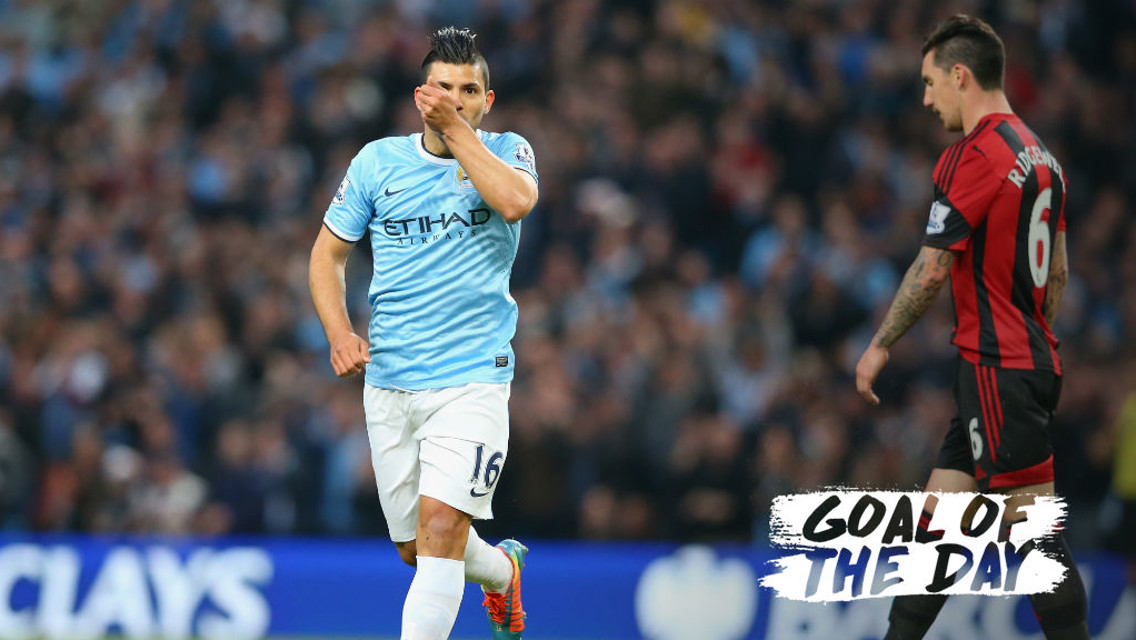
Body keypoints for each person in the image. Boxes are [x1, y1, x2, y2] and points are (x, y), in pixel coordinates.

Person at [854, 15, 1088, 640]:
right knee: (937, 524)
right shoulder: (1044, 159)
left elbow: (932, 268)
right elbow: (1057, 276)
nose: (926, 100)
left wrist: (879, 345)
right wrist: (1027, 342)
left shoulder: (974, 155)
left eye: (931, 84)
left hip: (997, 368)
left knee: (1034, 536)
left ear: (961, 75)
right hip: (1012, 363)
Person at [308, 27, 538, 640]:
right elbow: (327, 255)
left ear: (487, 101)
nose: (455, 99)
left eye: (469, 91)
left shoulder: (509, 151)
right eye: (444, 89)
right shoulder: (377, 162)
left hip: (472, 379)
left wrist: (458, 130)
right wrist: (338, 332)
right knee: (419, 548)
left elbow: (515, 203)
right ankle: (500, 572)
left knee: (440, 530)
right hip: (390, 379)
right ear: (420, 95)